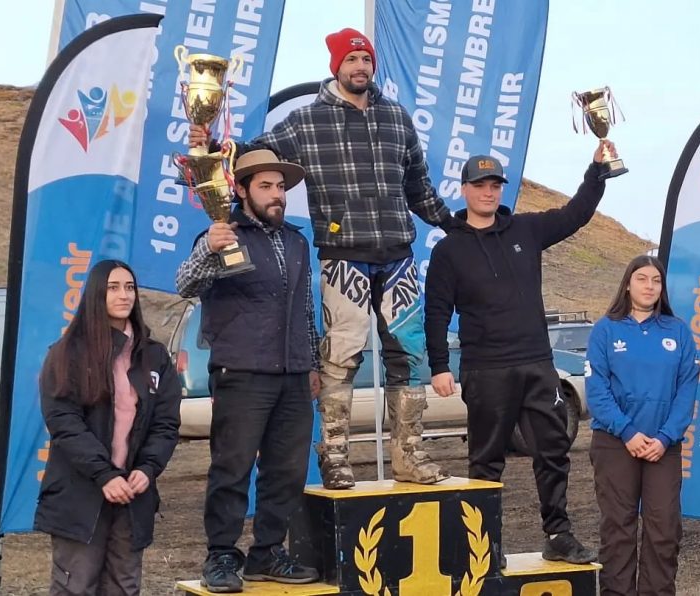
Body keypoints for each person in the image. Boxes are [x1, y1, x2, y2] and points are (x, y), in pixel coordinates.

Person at [190, 28, 450, 490]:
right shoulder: (306, 122)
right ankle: (334, 456)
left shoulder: (397, 118)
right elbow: (252, 159)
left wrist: (455, 223)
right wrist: (209, 150)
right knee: (341, 356)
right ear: (336, 67)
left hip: (397, 253)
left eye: (366, 60)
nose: (360, 68)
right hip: (342, 253)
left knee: (407, 357)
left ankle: (409, 455)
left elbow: (419, 186)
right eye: (351, 60)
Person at [423, 148, 614, 565]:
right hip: (484, 369)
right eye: (480, 185)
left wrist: (597, 171)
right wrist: (439, 365)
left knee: (552, 452)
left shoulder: (527, 230)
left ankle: (558, 534)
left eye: (494, 185)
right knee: (487, 462)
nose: (488, 192)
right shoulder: (449, 249)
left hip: (536, 364)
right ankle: (485, 544)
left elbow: (576, 213)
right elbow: (436, 311)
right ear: (465, 190)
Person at [176, 149, 321, 591]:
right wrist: (207, 250)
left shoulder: (297, 241)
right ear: (240, 190)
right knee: (232, 468)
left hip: (294, 374)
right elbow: (186, 284)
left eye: (280, 187)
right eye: (266, 187)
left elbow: (304, 310)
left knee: (288, 470)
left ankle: (267, 553)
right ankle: (221, 556)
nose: (276, 195)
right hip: (241, 371)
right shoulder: (221, 233)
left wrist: (312, 363)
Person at [35, 260, 181, 596]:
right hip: (81, 495)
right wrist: (104, 475)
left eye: (129, 287)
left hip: (133, 496)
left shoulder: (154, 357)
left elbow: (166, 423)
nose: (124, 295)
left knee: (124, 586)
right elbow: (64, 423)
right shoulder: (67, 354)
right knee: (76, 586)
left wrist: (148, 468)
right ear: (96, 294)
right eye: (113, 287)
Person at [585, 255, 697, 596]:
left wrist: (664, 437)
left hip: (662, 447)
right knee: (618, 528)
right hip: (615, 443)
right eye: (642, 279)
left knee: (663, 529)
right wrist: (628, 432)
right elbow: (597, 389)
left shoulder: (677, 330)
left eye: (656, 281)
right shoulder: (607, 328)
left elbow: (687, 388)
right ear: (628, 284)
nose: (650, 286)